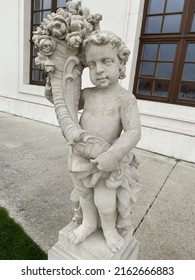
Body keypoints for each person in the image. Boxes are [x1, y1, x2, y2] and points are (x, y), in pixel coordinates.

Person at [67, 30, 141, 253]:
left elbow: (133, 131)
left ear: (121, 63)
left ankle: (109, 229)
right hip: (81, 158)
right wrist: (54, 92)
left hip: (107, 161)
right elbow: (68, 103)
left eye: (106, 61)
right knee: (85, 196)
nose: (98, 70)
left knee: (105, 201)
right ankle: (89, 224)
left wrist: (111, 156)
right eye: (91, 64)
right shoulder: (88, 94)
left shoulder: (124, 99)